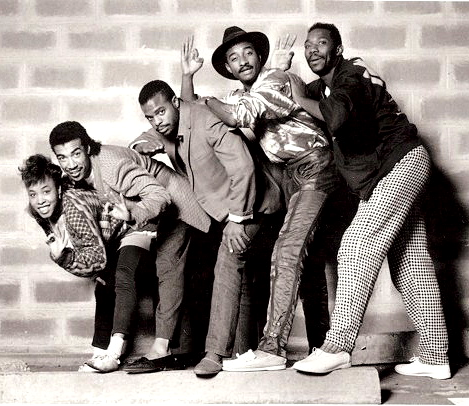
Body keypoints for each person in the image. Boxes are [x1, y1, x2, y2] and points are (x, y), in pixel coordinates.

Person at [289, 22, 450, 379]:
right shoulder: (326, 85)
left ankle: (337, 347)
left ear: (338, 49)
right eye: (308, 45)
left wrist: (300, 98)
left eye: (321, 43)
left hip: (400, 164)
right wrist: (285, 73)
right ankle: (436, 356)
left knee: (356, 245)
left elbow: (336, 114)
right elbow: (300, 95)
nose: (313, 49)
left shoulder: (352, 75)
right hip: (392, 170)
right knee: (411, 263)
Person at [179, 27, 339, 372]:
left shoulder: (275, 79)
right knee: (307, 261)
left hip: (314, 167)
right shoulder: (240, 93)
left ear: (260, 56)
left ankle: (272, 349)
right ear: (228, 68)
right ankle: (321, 350)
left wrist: (208, 101)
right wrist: (188, 78)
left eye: (248, 53)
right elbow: (192, 115)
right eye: (234, 58)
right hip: (288, 179)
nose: (243, 61)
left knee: (288, 251)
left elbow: (237, 115)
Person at [134, 80, 283, 377]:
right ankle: (242, 352)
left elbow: (244, 168)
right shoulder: (168, 127)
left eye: (161, 112)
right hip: (223, 210)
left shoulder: (207, 119)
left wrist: (238, 219)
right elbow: (144, 139)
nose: (157, 121)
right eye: (150, 117)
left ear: (175, 102)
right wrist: (140, 145)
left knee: (227, 263)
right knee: (238, 278)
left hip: (253, 204)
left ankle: (215, 353)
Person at [49, 121, 212, 374]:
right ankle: (106, 352)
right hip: (145, 220)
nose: (70, 164)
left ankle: (156, 350)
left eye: (76, 153)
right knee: (112, 275)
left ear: (88, 148)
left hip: (178, 210)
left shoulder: (111, 167)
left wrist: (132, 214)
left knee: (166, 269)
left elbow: (160, 196)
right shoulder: (78, 176)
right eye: (62, 158)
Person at [18, 154, 132, 372]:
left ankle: (110, 354)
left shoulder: (73, 208)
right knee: (104, 286)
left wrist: (63, 258)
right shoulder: (38, 211)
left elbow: (98, 260)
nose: (40, 200)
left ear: (59, 190)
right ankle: (99, 353)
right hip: (106, 244)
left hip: (129, 232)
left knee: (108, 285)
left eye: (46, 191)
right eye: (33, 194)